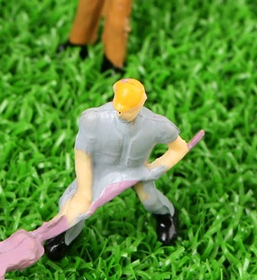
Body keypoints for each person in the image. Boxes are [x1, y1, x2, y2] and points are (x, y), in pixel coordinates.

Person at [45, 78, 192, 260]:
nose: (121, 112)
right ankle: (65, 236)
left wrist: (158, 167)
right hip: (101, 170)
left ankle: (167, 217)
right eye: (118, 106)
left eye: (128, 108)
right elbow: (82, 155)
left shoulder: (156, 125)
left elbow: (179, 148)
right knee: (75, 206)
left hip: (136, 171)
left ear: (142, 102)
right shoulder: (94, 120)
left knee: (151, 201)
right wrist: (84, 192)